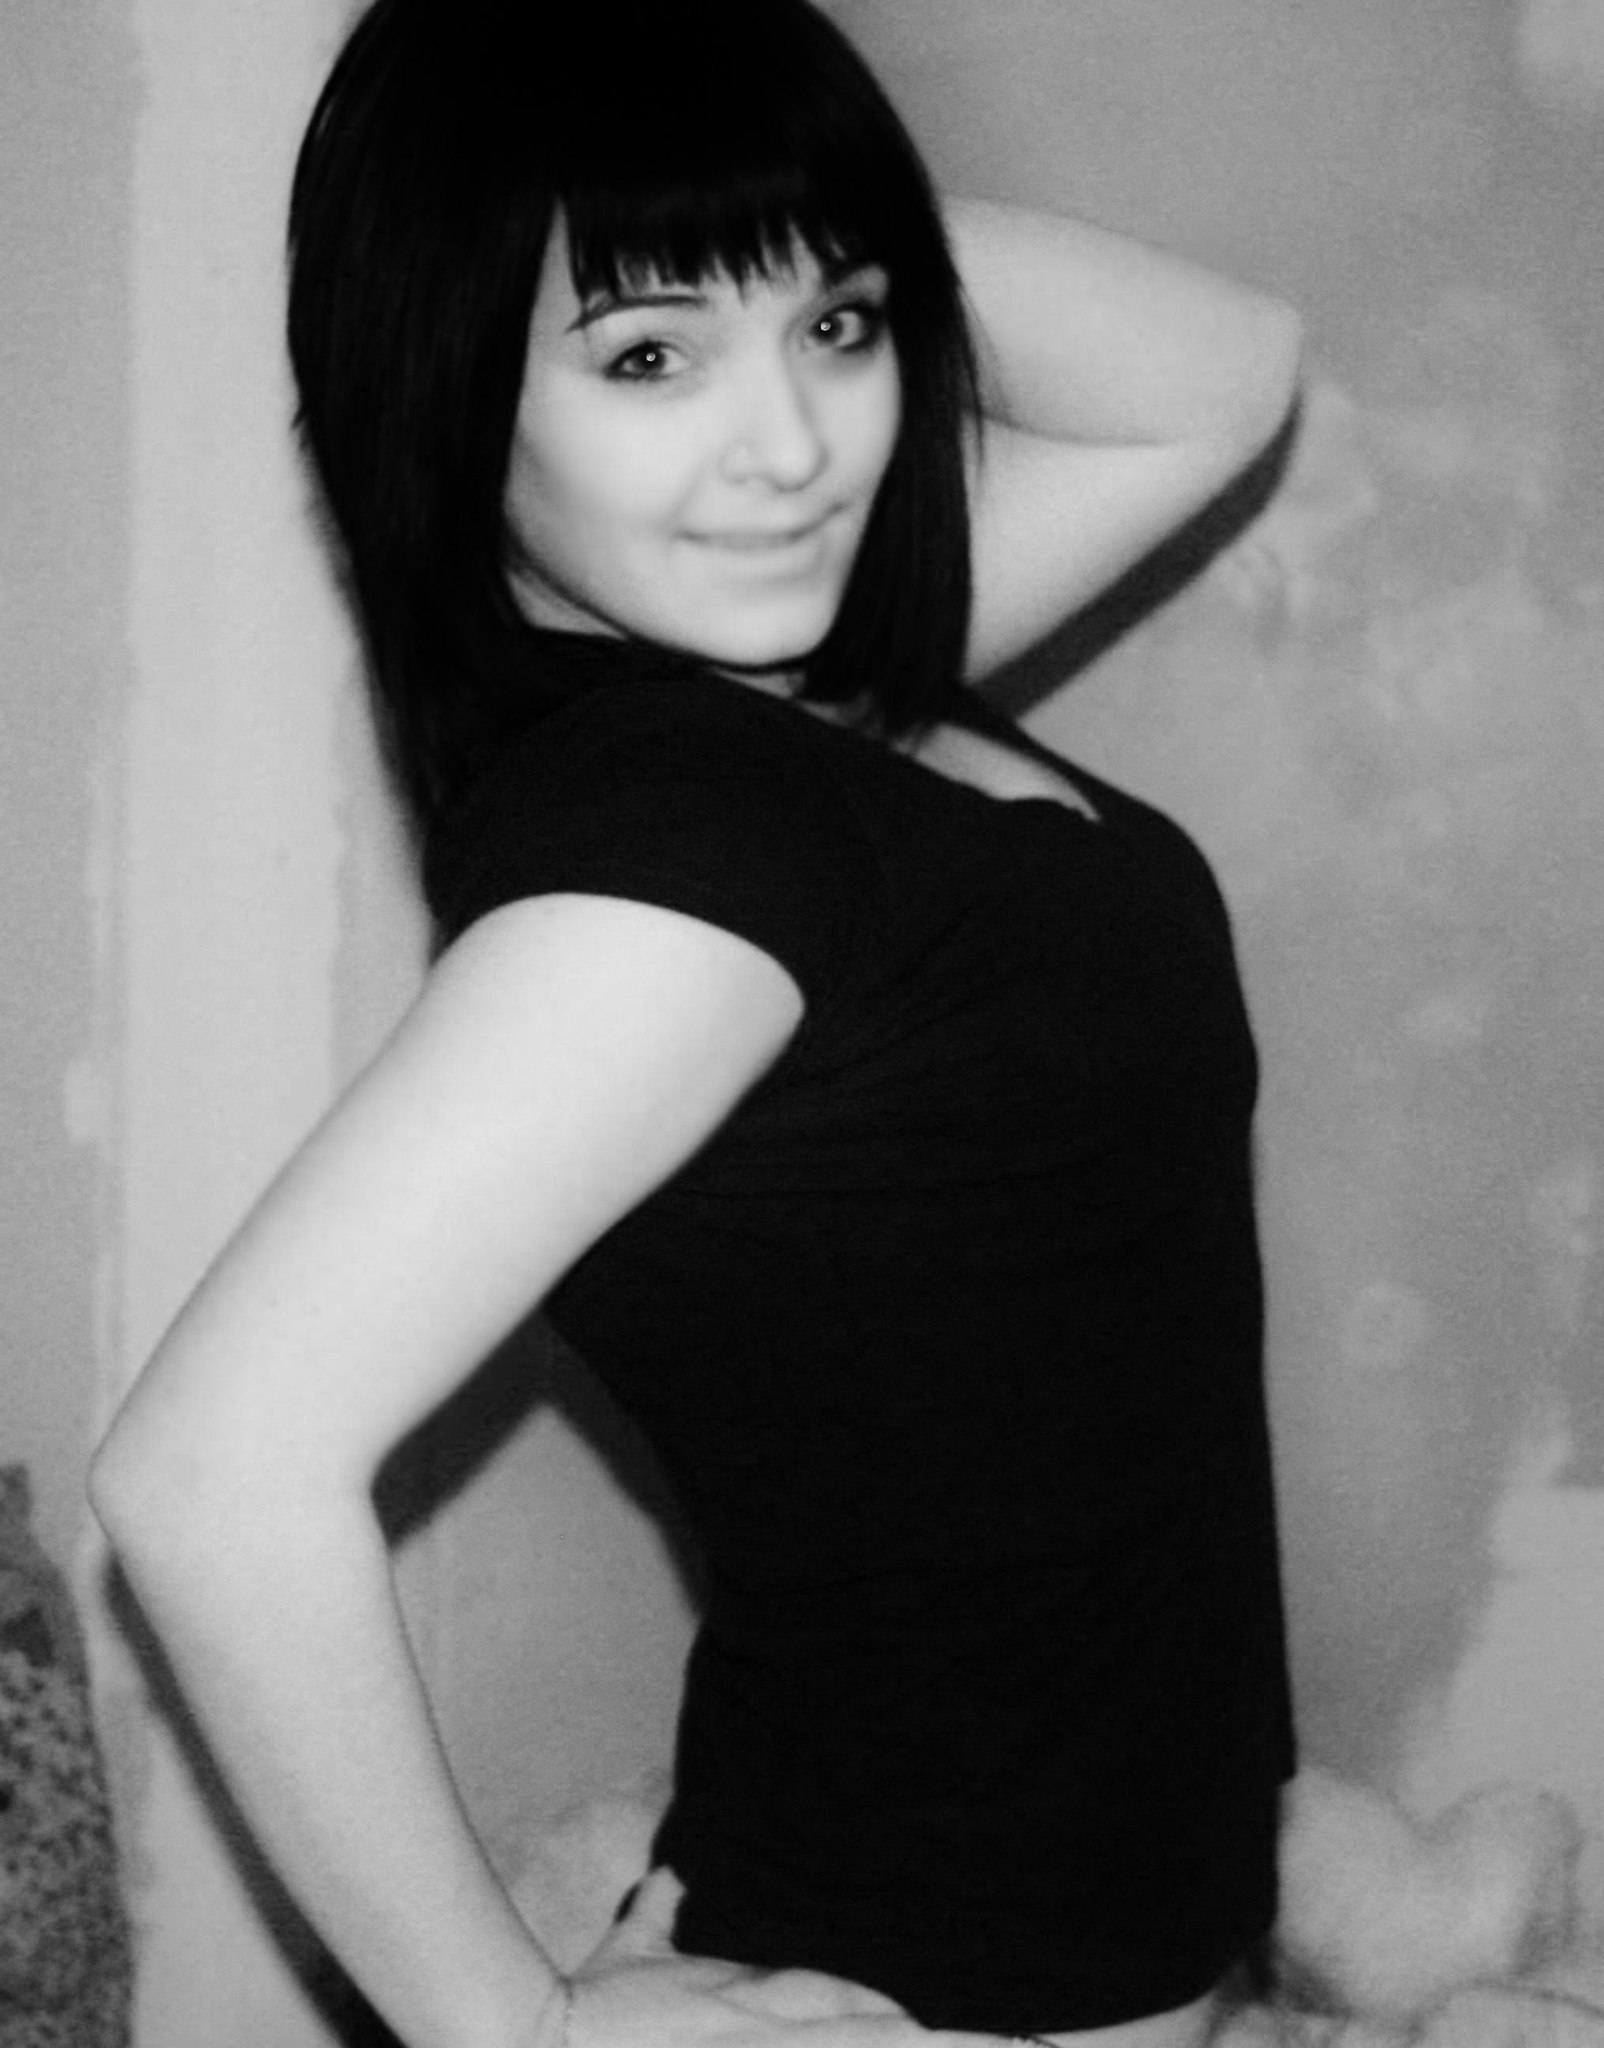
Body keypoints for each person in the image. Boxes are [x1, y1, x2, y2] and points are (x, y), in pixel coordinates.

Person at [89, 3, 1304, 2046]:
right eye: (649, 359)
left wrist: (772, 194)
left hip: (1063, 1947)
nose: (794, 447)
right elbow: (209, 1475)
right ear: (448, 387)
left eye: (837, 328)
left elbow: (1225, 373)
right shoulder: (676, 856)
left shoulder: (783, 704)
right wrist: (521, 2030)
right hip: (923, 1989)